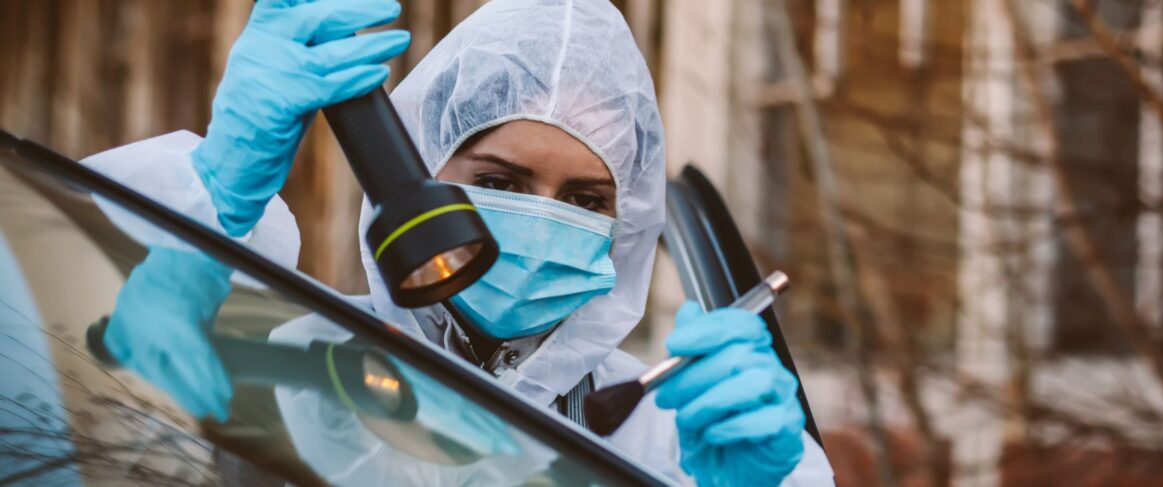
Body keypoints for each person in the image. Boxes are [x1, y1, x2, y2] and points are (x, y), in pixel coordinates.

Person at [79, 0, 834, 485]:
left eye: (585, 199)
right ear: (415, 171)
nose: (543, 221)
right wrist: (189, 235)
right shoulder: (275, 366)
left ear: (626, 226)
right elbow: (67, 433)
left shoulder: (668, 437)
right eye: (500, 182)